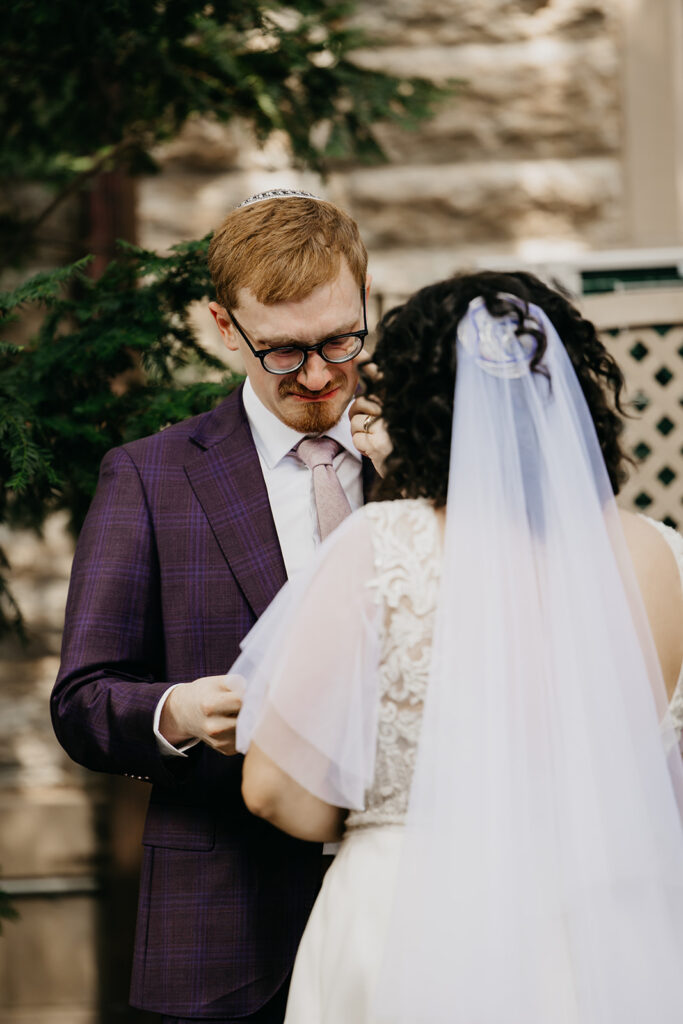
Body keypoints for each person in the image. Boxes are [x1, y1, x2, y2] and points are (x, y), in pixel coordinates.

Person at [234, 270, 683, 1024]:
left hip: (407, 916)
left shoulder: (383, 544)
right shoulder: (666, 557)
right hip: (610, 932)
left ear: (416, 404)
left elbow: (275, 790)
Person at [50, 189, 379, 1023]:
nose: (316, 375)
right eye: (281, 350)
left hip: (409, 905)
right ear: (225, 326)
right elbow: (83, 702)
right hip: (225, 930)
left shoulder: (431, 453)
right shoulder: (150, 477)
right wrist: (178, 709)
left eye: (341, 339)